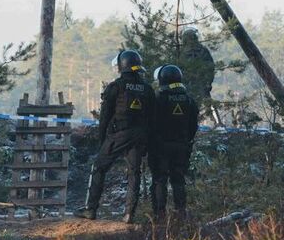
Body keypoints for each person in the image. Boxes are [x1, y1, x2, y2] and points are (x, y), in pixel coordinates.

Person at [75, 49, 156, 224]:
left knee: (99, 167)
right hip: (139, 137)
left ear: (122, 66)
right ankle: (129, 214)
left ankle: (91, 209)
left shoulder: (116, 87)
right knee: (134, 173)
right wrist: (147, 142)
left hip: (118, 135)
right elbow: (153, 118)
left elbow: (105, 116)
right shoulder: (147, 89)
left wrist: (102, 139)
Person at [149, 64, 199, 220]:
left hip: (161, 146)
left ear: (162, 79)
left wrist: (151, 143)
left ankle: (159, 215)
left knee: (159, 179)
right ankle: (181, 212)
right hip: (182, 146)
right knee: (178, 180)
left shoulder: (158, 99)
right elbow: (193, 126)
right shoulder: (189, 100)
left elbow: (151, 123)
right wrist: (186, 141)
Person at [179, 27, 215, 116]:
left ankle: (213, 119)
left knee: (207, 106)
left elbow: (210, 68)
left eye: (193, 38)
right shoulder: (181, 52)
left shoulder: (203, 51)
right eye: (190, 38)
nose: (192, 40)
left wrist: (208, 82)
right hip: (187, 84)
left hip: (201, 83)